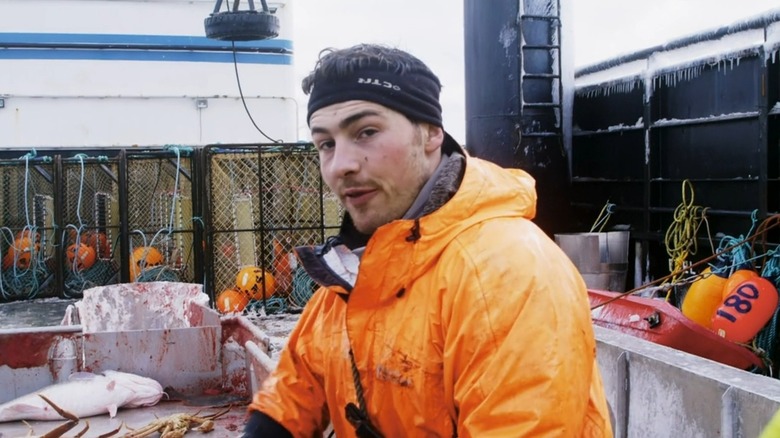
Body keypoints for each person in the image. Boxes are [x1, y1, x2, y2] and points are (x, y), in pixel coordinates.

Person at [243, 43, 613, 437]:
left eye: (366, 132)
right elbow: (297, 385)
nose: (341, 166)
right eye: (326, 144)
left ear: (432, 133)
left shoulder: (510, 275)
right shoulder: (359, 266)